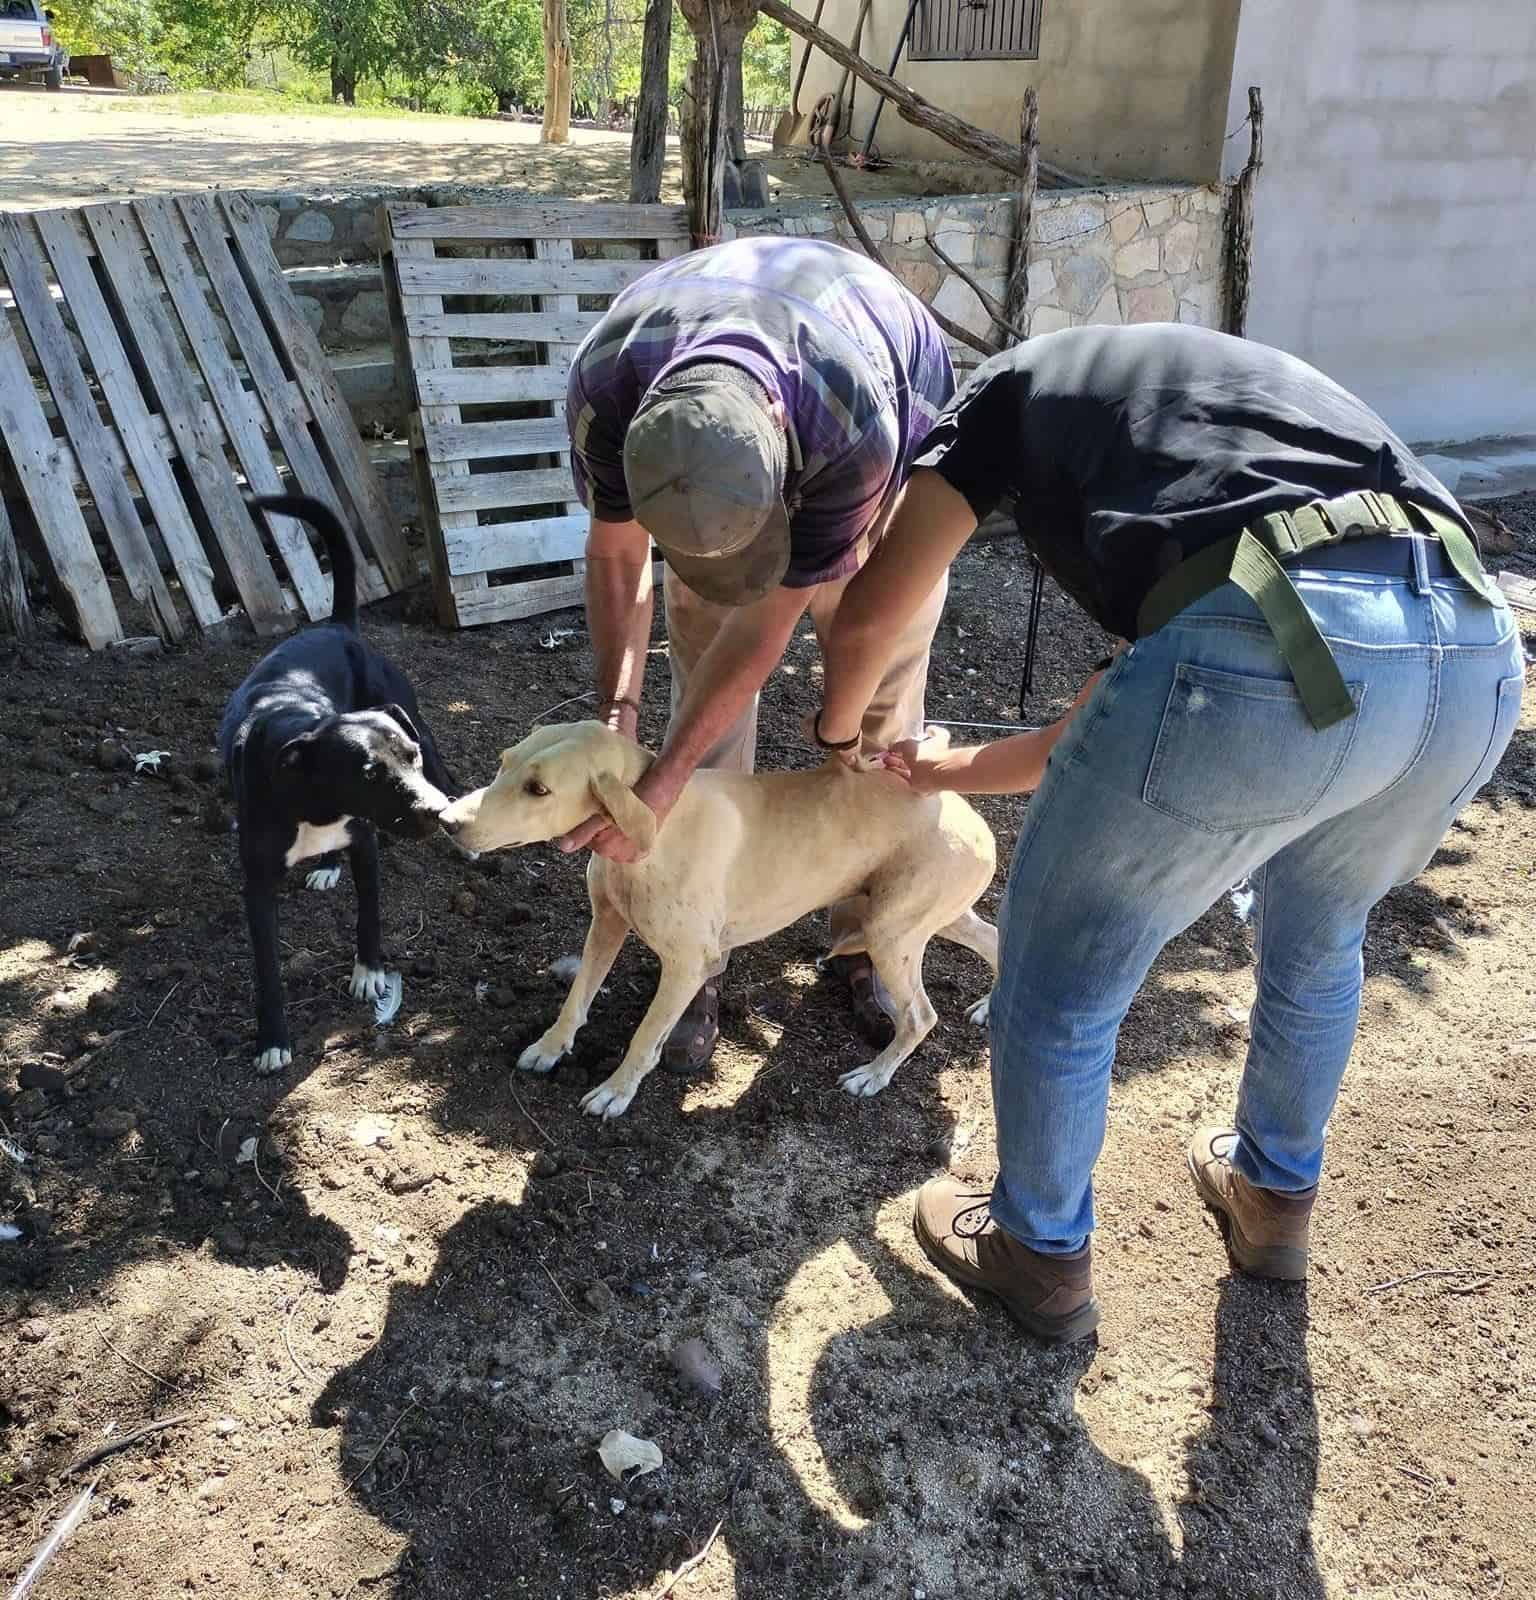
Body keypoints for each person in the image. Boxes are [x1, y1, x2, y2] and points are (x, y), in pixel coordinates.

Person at [817, 324, 1523, 1343]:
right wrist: (940, 768)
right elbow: (1112, 723)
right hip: (1468, 647)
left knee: (1060, 977)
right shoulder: (1208, 423)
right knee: (1321, 934)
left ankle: (1036, 1249)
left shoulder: (999, 395)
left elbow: (872, 614)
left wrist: (839, 732)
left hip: (1280, 636)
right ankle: (1273, 1201)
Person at [559, 235, 955, 1071]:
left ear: (776, 434)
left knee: (873, 702)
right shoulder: (608, 387)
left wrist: (828, 733)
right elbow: (618, 555)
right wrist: (614, 716)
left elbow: (781, 626)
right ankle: (697, 942)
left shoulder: (853, 429)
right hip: (731, 432)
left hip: (876, 414)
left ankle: (860, 933)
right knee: (700, 663)